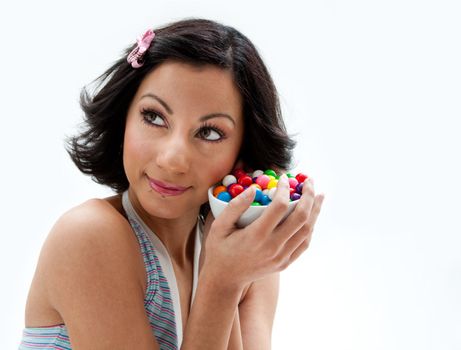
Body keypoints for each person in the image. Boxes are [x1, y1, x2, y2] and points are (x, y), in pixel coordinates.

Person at [19, 18, 324, 350]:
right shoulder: (88, 237)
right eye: (154, 117)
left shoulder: (243, 256)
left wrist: (230, 268)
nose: (172, 159)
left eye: (209, 132)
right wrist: (221, 284)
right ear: (124, 117)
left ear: (243, 153)